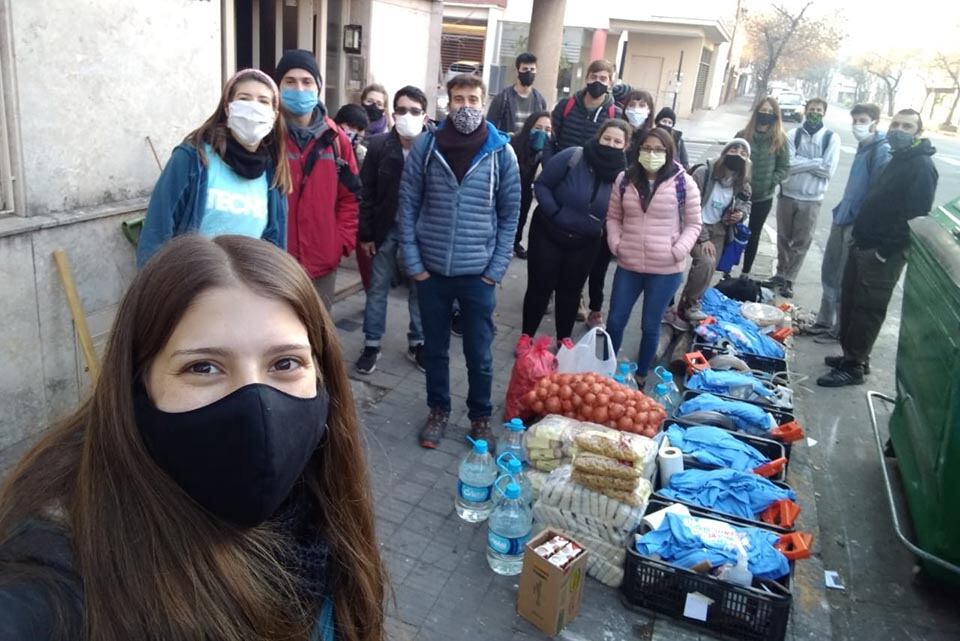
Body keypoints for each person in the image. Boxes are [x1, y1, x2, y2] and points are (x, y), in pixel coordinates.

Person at [0, 235, 385, 640]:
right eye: (203, 367)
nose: (258, 408)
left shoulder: (325, 506)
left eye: (286, 363)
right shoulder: (61, 570)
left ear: (322, 376)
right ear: (137, 385)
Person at [398, 74, 520, 450]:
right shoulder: (427, 146)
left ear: (484, 102)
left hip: (478, 275)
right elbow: (407, 205)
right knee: (434, 350)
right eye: (458, 99)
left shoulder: (501, 152)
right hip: (431, 271)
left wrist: (494, 271)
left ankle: (480, 417)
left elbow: (510, 215)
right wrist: (414, 264)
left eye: (473, 99)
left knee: (479, 355)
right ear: (446, 102)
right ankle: (438, 410)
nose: (466, 106)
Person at [818, 109, 938, 387]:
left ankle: (853, 367)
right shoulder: (897, 159)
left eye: (907, 126)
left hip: (884, 253)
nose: (898, 129)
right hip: (863, 244)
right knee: (851, 302)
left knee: (868, 308)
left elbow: (916, 217)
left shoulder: (921, 166)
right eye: (895, 123)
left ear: (917, 133)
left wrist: (884, 251)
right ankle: (855, 355)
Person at [137, 69, 290, 267]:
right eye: (244, 98)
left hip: (246, 291)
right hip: (192, 286)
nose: (253, 107)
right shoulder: (193, 159)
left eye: (263, 101)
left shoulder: (272, 174)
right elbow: (157, 231)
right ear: (228, 108)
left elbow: (275, 247)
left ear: (274, 115)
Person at [606, 128, 702, 387]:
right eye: (647, 148)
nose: (652, 154)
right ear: (638, 151)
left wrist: (678, 250)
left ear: (669, 153)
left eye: (659, 150)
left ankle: (640, 377)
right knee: (615, 320)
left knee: (650, 325)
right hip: (629, 264)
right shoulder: (624, 180)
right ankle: (607, 372)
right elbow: (614, 217)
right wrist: (616, 243)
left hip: (666, 269)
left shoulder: (683, 182)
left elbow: (694, 224)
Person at [521, 120, 629, 342]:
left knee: (570, 292)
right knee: (539, 287)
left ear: (625, 146)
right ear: (598, 137)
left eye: (617, 141)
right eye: (607, 138)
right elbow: (542, 185)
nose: (610, 144)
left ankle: (564, 341)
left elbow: (621, 211)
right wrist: (556, 212)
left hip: (585, 242)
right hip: (548, 231)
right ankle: (526, 337)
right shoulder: (574, 156)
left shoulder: (623, 178)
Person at [276, 49, 360, 309]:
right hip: (275, 264)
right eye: (290, 81)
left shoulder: (337, 141)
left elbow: (352, 198)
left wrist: (339, 242)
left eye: (306, 81)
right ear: (278, 87)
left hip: (322, 264)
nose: (299, 89)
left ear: (318, 87)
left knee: (318, 338)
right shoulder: (267, 137)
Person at [355, 86, 431, 375]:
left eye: (414, 110)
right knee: (377, 289)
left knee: (420, 290)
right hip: (386, 230)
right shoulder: (378, 147)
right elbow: (366, 194)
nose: (407, 115)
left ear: (424, 116)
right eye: (401, 110)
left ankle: (418, 342)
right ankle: (372, 344)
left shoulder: (433, 148)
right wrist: (365, 234)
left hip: (421, 234)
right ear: (393, 113)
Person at [807, 103, 891, 340]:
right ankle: (824, 321)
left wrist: (860, 223)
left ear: (874, 122)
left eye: (862, 120)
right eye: (855, 121)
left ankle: (838, 329)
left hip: (855, 223)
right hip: (843, 217)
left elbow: (876, 193)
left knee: (843, 277)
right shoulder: (865, 147)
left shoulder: (881, 151)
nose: (857, 125)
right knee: (830, 271)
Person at [582, 89, 655, 328]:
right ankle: (575, 299)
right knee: (578, 262)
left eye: (642, 104)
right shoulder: (590, 151)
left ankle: (595, 307)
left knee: (600, 266)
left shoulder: (650, 140)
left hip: (613, 217)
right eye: (633, 103)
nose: (636, 108)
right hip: (585, 215)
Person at [767, 98, 840, 298]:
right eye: (812, 109)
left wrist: (804, 163)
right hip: (788, 195)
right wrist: (816, 162)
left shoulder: (831, 138)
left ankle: (790, 279)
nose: (815, 112)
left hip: (812, 199)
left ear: (824, 113)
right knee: (783, 238)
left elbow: (828, 169)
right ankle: (780, 274)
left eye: (819, 110)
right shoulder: (793, 134)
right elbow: (788, 164)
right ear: (805, 111)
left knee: (801, 242)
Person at [677, 139, 752, 321]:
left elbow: (746, 203)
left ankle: (685, 307)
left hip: (719, 229)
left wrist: (740, 214)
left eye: (743, 153)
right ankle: (691, 305)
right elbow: (687, 206)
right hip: (694, 225)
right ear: (725, 152)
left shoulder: (742, 183)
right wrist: (702, 238)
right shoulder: (704, 173)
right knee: (706, 261)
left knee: (708, 270)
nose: (737, 154)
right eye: (734, 149)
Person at [736, 97, 790, 277]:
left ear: (775, 116)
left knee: (754, 234)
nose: (765, 115)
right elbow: (731, 160)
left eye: (769, 112)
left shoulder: (779, 139)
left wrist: (770, 182)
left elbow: (784, 167)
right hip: (740, 194)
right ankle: (725, 268)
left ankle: (745, 272)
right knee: (731, 232)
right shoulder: (743, 135)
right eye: (762, 111)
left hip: (763, 197)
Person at [551, 59, 623, 151]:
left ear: (610, 83)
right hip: (562, 162)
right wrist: (550, 162)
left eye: (603, 79)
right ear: (586, 79)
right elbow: (550, 138)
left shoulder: (615, 115)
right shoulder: (565, 105)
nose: (597, 82)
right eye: (593, 77)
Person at [510, 111, 554, 258]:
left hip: (527, 189)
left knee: (522, 216)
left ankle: (516, 243)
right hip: (511, 187)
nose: (543, 132)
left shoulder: (548, 149)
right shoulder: (515, 143)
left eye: (547, 130)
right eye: (538, 127)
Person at [486, 52, 548, 136]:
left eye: (532, 69)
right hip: (508, 146)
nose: (529, 73)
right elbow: (489, 128)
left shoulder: (540, 101)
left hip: (529, 147)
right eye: (525, 69)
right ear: (517, 71)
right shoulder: (502, 99)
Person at [333, 103, 370, 168]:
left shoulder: (362, 154)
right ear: (338, 123)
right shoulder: (326, 147)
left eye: (360, 129)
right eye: (351, 126)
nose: (355, 132)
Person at [623, 90, 655, 158]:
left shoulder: (653, 136)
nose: (636, 109)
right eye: (631, 105)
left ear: (649, 110)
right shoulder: (619, 133)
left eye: (642, 105)